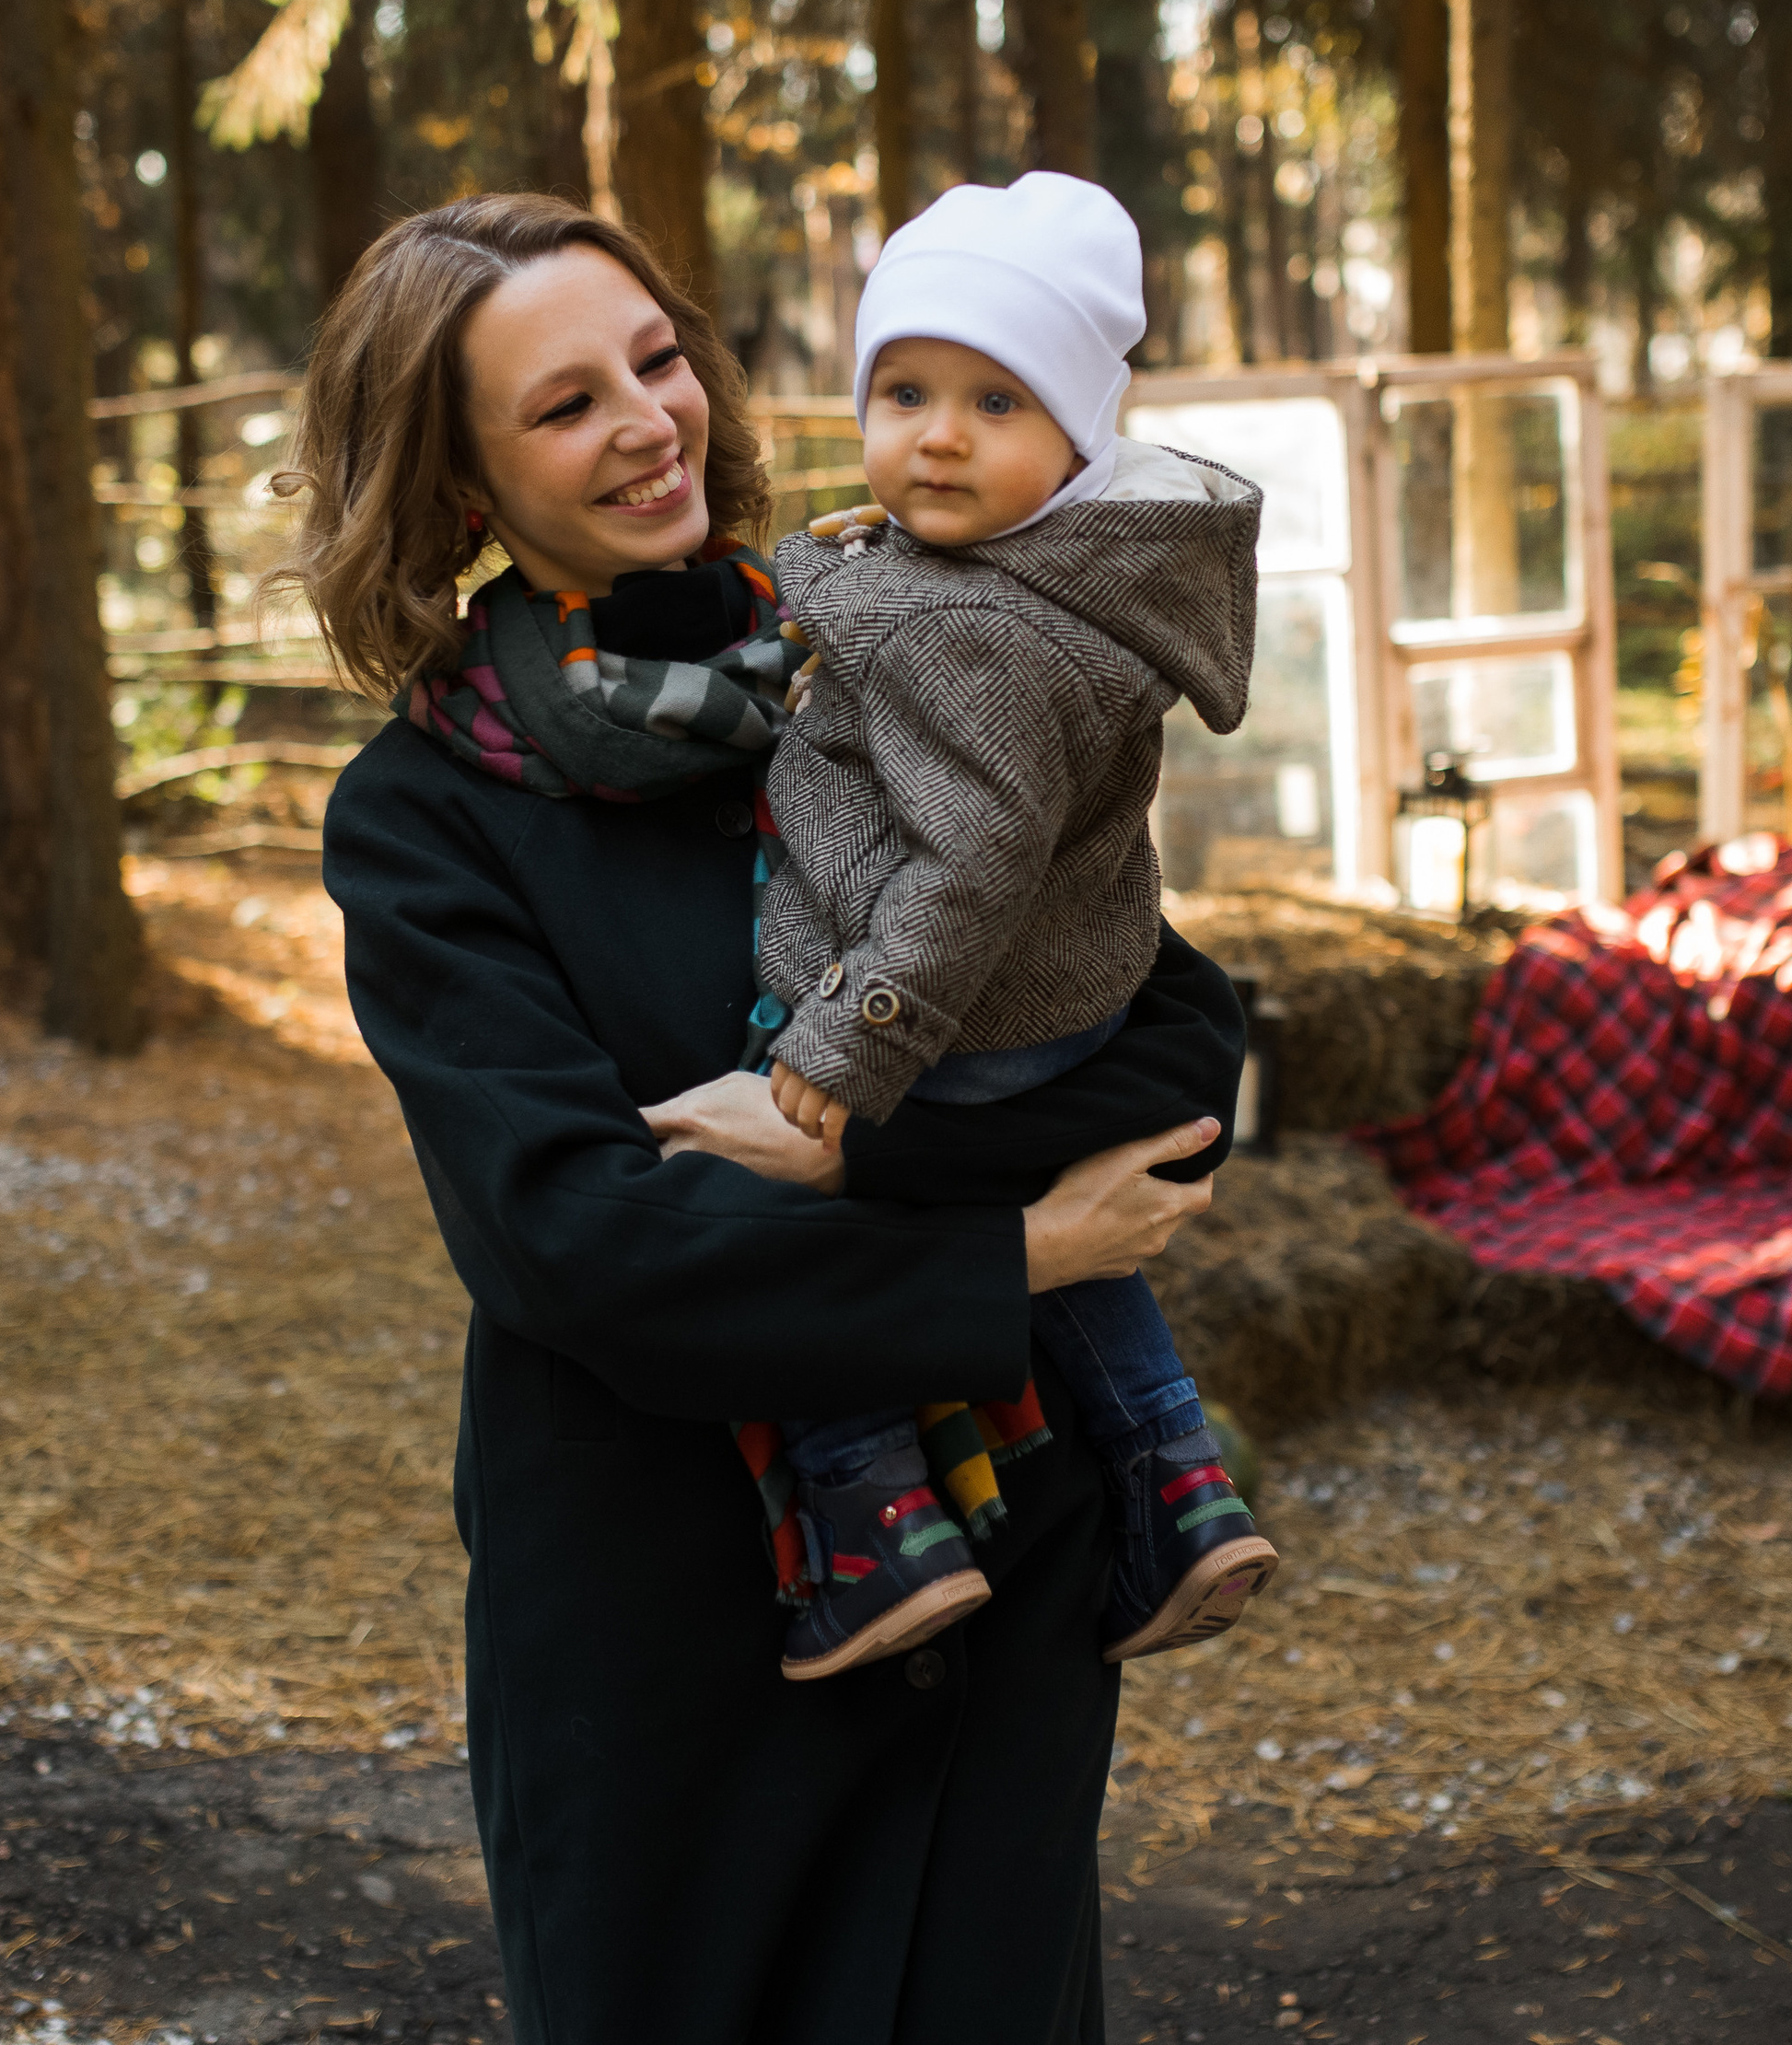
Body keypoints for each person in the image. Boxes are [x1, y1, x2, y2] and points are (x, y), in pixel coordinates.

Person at [299, 192, 1245, 2043]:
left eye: (656, 359)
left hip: (1002, 1567)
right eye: (564, 403)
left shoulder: (893, 641)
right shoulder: (424, 820)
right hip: (672, 1627)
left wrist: (816, 1140)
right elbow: (578, 1243)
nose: (648, 418)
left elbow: (1169, 1034)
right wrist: (1013, 1244)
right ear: (457, 487)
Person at [750, 172, 1280, 1681]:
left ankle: (876, 1526)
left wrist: (857, 1037)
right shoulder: (1069, 579)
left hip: (953, 1010)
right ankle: (1180, 1488)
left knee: (806, 1212)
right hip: (1079, 997)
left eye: (996, 400)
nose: (936, 435)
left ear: (1077, 436)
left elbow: (973, 857)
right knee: (1085, 1253)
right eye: (904, 389)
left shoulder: (962, 631)